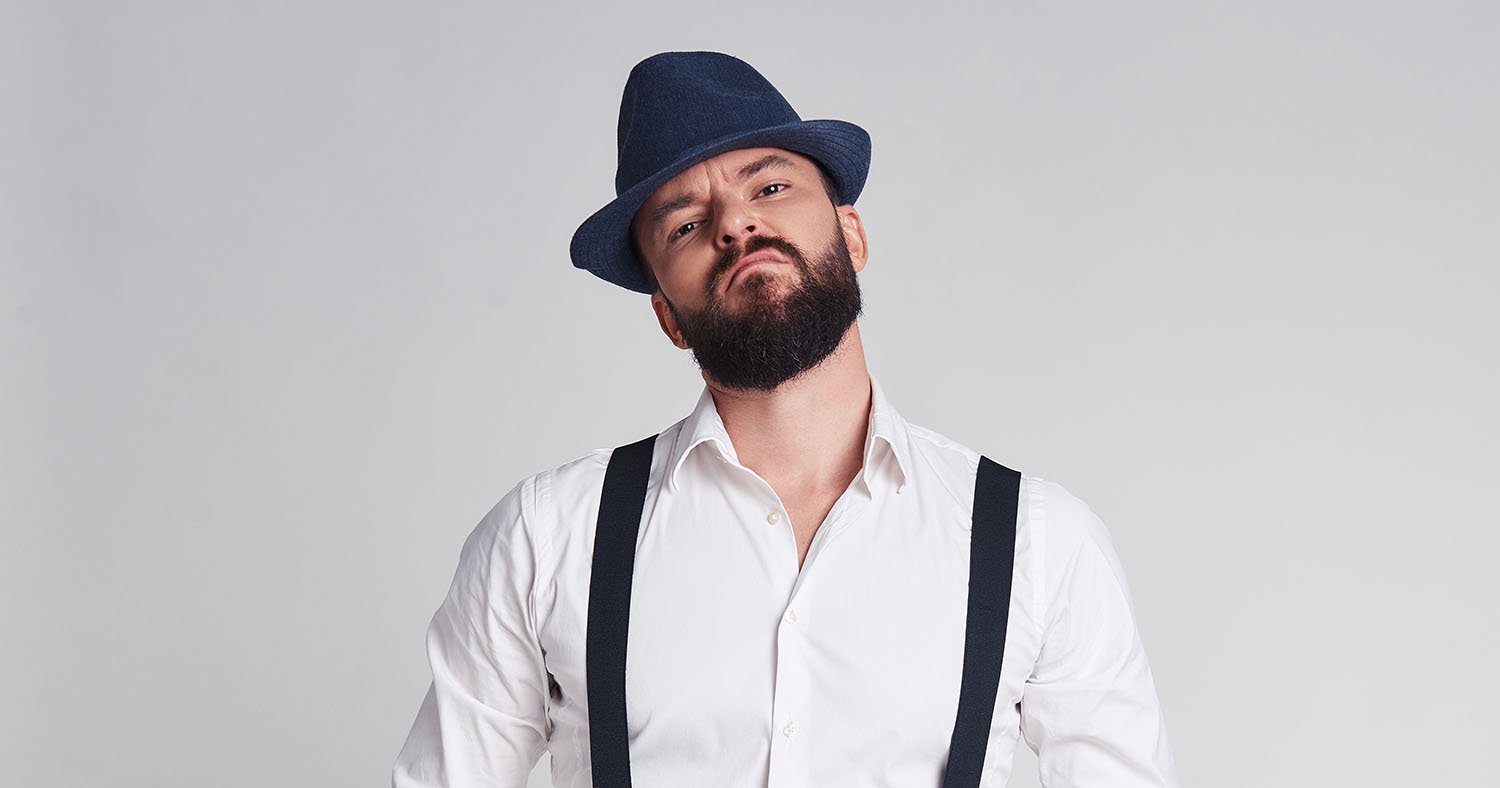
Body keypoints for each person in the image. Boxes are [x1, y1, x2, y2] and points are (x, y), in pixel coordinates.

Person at [392, 51, 1180, 788]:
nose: (735, 226)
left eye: (768, 188)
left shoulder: (1040, 543)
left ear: (852, 235)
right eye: (685, 225)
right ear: (667, 315)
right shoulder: (545, 538)